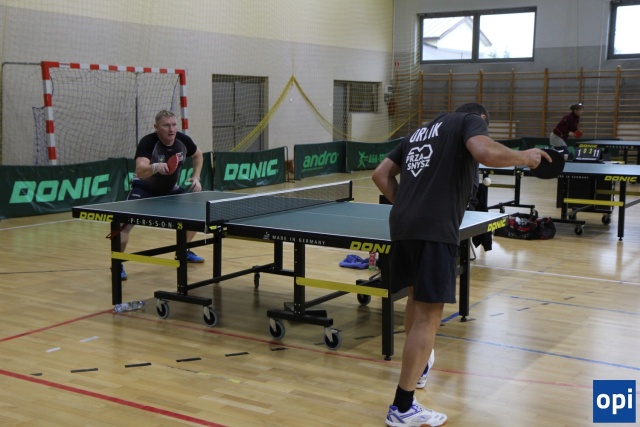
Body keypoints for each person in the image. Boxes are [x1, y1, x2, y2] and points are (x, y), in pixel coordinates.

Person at [372, 102, 551, 427]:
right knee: (429, 316)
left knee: (415, 298)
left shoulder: (417, 133)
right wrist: (525, 157)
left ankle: (419, 369)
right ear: (480, 119)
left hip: (402, 226)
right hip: (433, 229)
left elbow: (380, 174)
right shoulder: (470, 121)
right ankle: (402, 407)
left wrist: (410, 205)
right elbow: (485, 151)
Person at [116, 110, 205, 280]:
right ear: (156, 127)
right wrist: (155, 167)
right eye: (166, 125)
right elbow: (140, 170)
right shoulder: (148, 142)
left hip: (170, 189)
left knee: (195, 217)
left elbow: (198, 155)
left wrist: (196, 177)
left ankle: (183, 251)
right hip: (144, 188)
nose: (171, 129)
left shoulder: (183, 140)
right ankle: (117, 263)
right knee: (123, 225)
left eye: (174, 125)